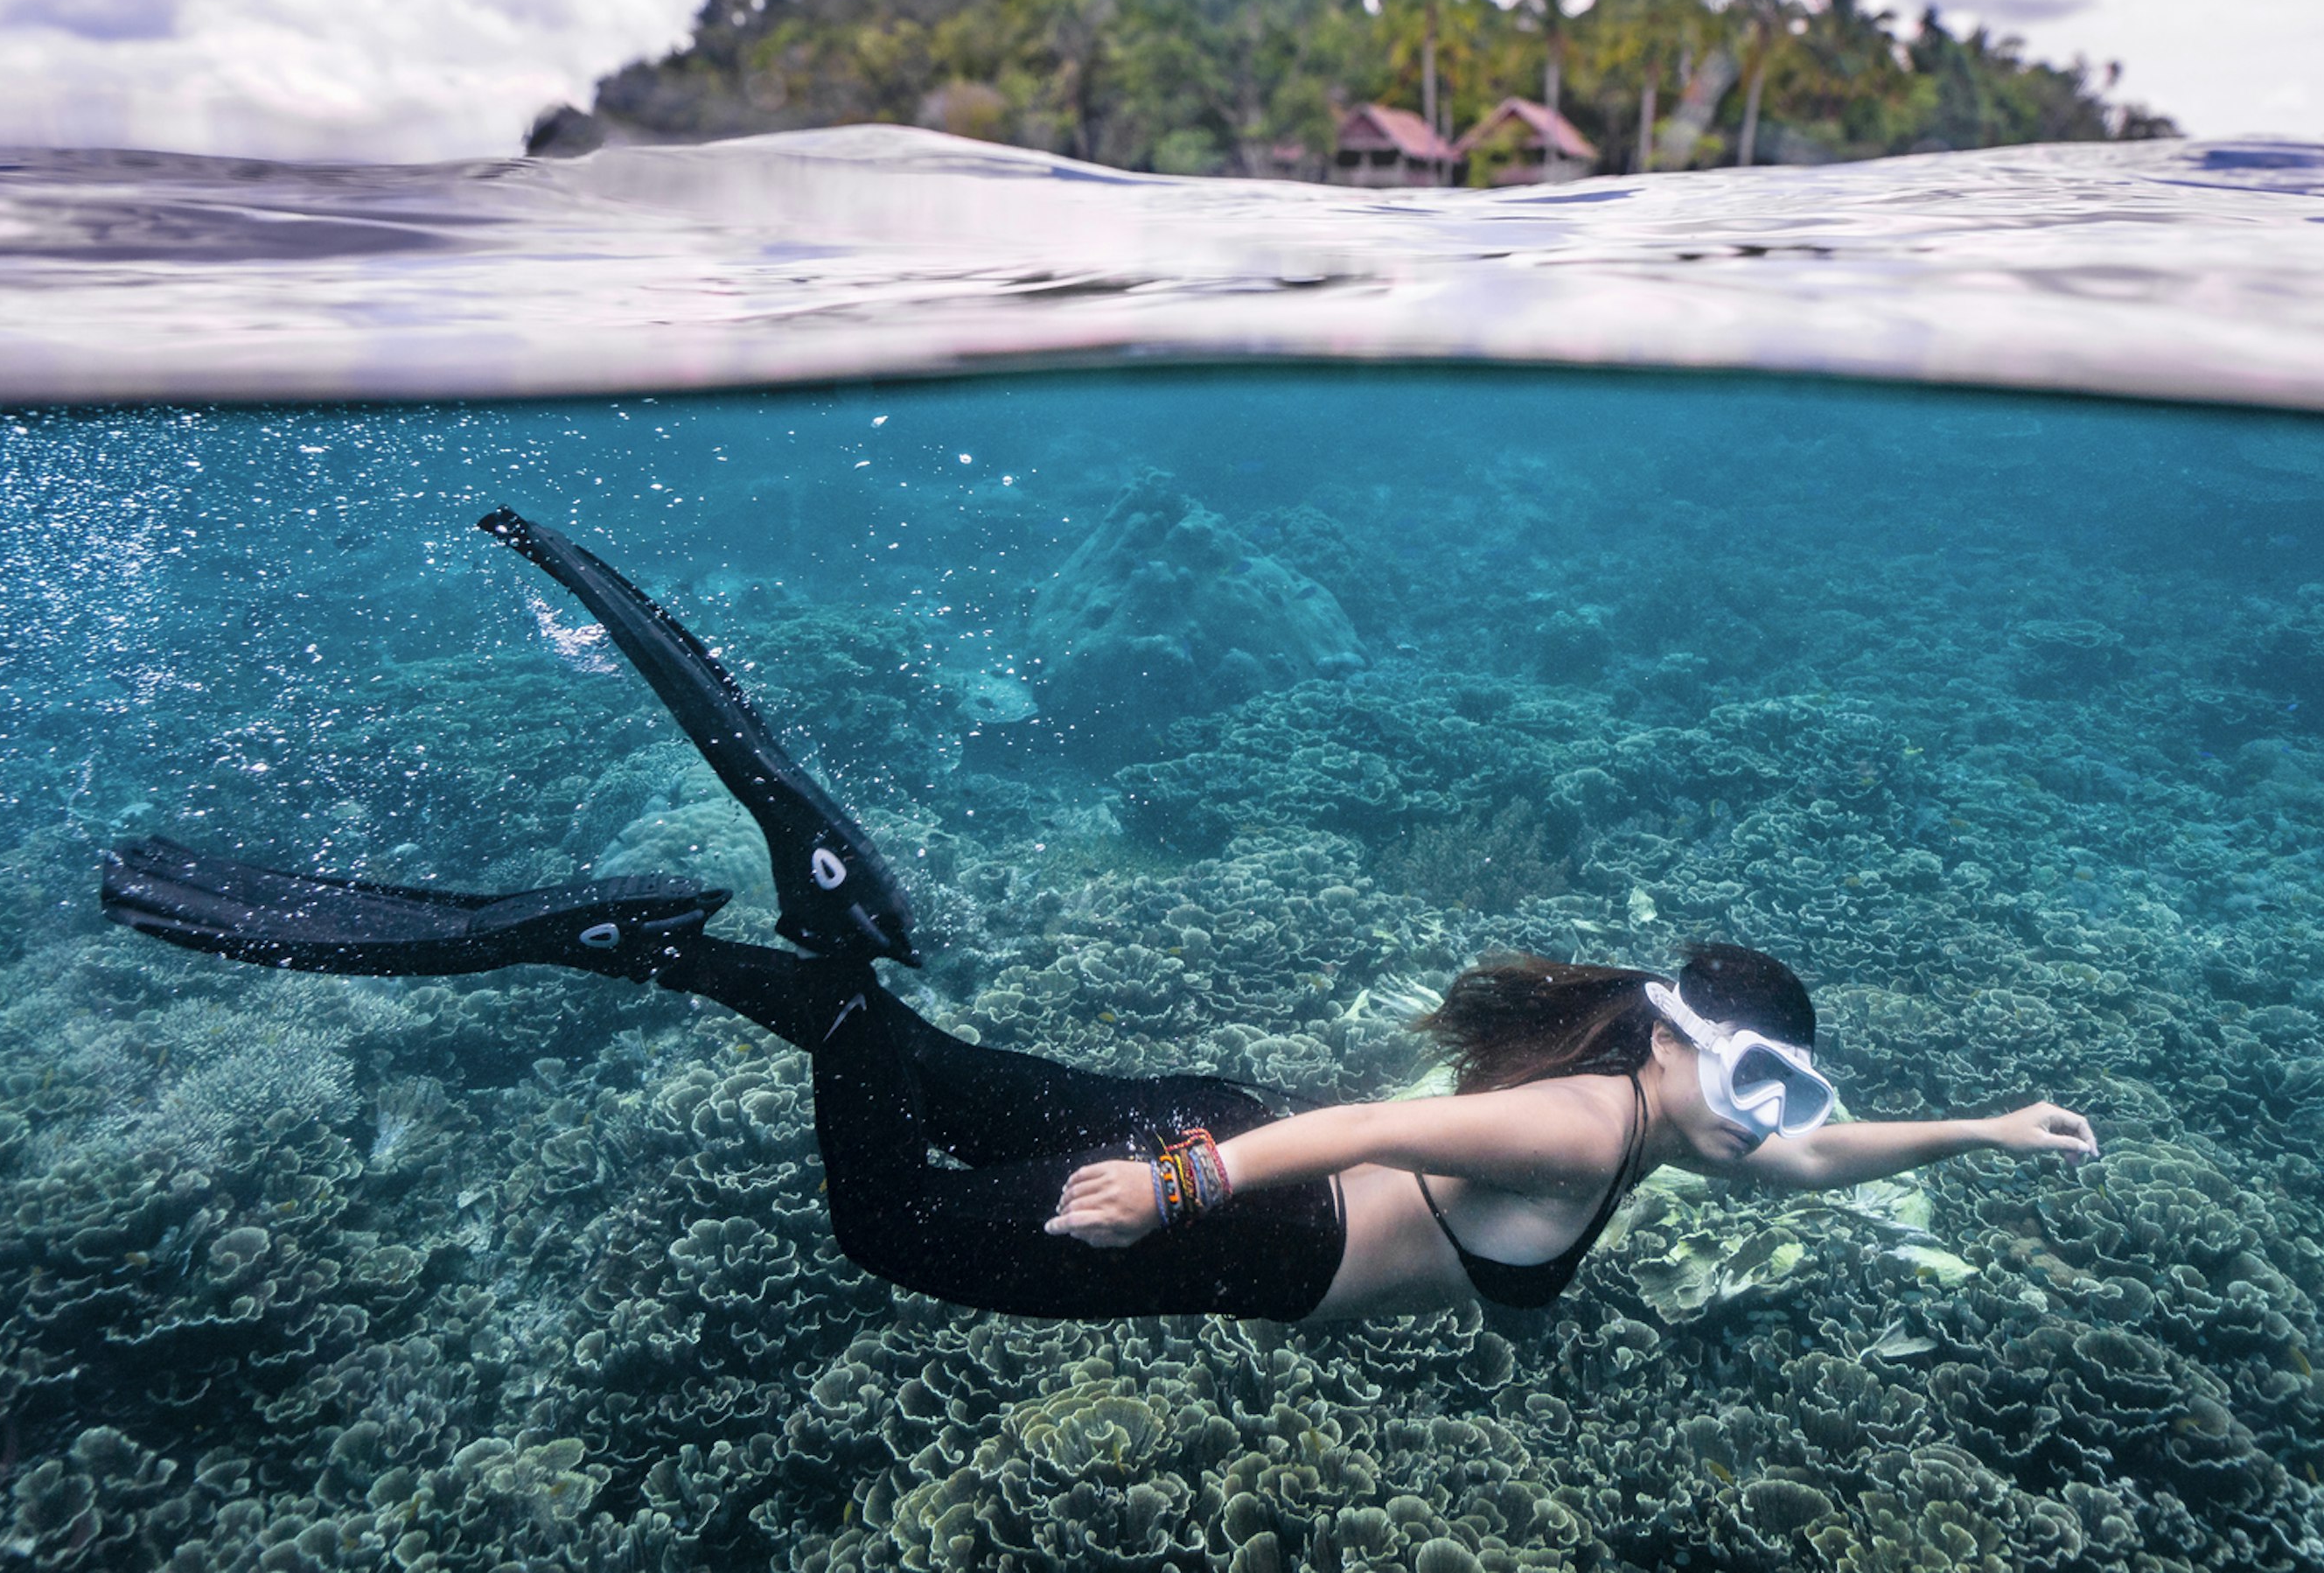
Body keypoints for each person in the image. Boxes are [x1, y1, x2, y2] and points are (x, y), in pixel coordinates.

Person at [102, 511, 2097, 1327]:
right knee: (889, 1219)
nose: (1764, 1110)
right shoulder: (1582, 1127)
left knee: (915, 1069)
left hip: (1218, 1140)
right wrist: (1171, 1192)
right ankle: (816, 942)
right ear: (1668, 1036)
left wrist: (1988, 1131)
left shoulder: (1659, 1110)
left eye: (1781, 1084)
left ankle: (672, 931)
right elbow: (1367, 1134)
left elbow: (1826, 1163)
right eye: (1744, 1069)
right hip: (1248, 1197)